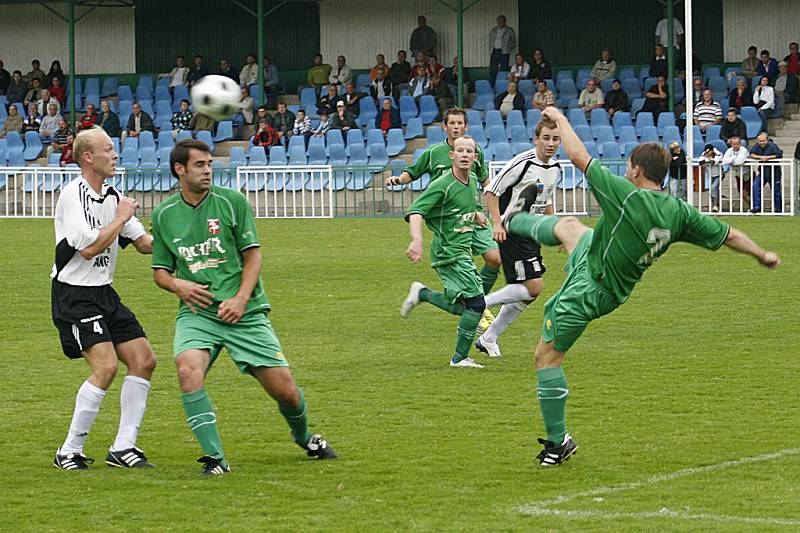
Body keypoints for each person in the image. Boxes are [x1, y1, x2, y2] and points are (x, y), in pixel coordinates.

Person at [500, 105, 780, 465]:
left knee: (546, 357)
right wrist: (761, 254)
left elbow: (577, 155)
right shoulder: (678, 212)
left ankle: (558, 443)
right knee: (570, 226)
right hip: (601, 266)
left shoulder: (627, 196)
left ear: (635, 169)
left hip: (591, 290)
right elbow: (728, 235)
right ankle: (517, 219)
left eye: (629, 166)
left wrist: (559, 118)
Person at [150, 139, 337, 476]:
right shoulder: (164, 215)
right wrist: (178, 284)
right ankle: (215, 459)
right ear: (180, 169)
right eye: (199, 165)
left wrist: (239, 299)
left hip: (245, 313)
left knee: (287, 393)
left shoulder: (232, 202)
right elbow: (160, 272)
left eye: (209, 164)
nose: (208, 170)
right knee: (186, 370)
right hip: (199, 314)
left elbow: (253, 256)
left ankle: (305, 437)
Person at [51, 127, 157, 470]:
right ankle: (69, 451)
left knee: (143, 360)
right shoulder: (72, 196)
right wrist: (122, 217)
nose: (115, 154)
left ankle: (123, 447)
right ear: (87, 157)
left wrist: (180, 232)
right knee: (107, 367)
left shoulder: (113, 196)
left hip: (103, 292)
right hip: (74, 295)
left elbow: (143, 243)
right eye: (108, 149)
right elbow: (89, 248)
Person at [386, 108, 501, 333]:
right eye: (452, 123)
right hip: (448, 219)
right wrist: (399, 179)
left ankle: (477, 303)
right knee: (461, 271)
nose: (456, 127)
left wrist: (494, 208)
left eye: (460, 123)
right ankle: (474, 306)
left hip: (473, 213)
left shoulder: (475, 151)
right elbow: (414, 171)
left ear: (466, 126)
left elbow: (485, 182)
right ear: (445, 127)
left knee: (495, 259)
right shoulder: (434, 153)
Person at [400, 136, 488, 369]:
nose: (465, 154)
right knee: (477, 305)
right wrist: (417, 240)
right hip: (449, 252)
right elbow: (416, 211)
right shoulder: (443, 183)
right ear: (452, 155)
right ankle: (459, 359)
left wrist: (476, 214)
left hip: (461, 250)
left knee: (468, 307)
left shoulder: (470, 181)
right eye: (460, 150)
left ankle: (423, 294)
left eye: (470, 151)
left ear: (475, 157)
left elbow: (465, 206)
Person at [477, 119, 561, 358]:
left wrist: (555, 229)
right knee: (534, 285)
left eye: (555, 139)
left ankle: (489, 337)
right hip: (512, 228)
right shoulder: (522, 163)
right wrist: (497, 223)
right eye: (546, 138)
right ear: (536, 139)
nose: (550, 144)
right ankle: (481, 304)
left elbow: (546, 201)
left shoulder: (556, 169)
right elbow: (491, 191)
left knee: (531, 293)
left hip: (531, 231)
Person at [750, 132, 783, 213]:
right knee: (755, 186)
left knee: (776, 192)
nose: (762, 143)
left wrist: (768, 158)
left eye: (763, 141)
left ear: (767, 140)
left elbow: (779, 154)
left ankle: (778, 209)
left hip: (775, 173)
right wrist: (761, 157)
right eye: (760, 141)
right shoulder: (757, 146)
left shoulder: (772, 146)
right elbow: (752, 154)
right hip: (762, 172)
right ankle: (757, 207)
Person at [722, 136, 750, 211]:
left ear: (740, 144)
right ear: (731, 144)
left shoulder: (743, 150)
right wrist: (734, 158)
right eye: (733, 144)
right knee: (741, 193)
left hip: (748, 175)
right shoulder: (729, 150)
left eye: (737, 144)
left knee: (746, 193)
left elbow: (739, 162)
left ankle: (752, 207)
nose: (735, 146)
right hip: (738, 175)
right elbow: (724, 160)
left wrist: (731, 160)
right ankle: (751, 207)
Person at [488, 15, 517, 88]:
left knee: (504, 69)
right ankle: (492, 86)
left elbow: (514, 42)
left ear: (505, 21)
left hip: (504, 52)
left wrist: (508, 48)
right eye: (499, 21)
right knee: (493, 69)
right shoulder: (493, 30)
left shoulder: (509, 30)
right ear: (497, 22)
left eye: (502, 21)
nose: (500, 22)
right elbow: (490, 41)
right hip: (495, 50)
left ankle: (503, 85)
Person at [699, 143, 724, 212]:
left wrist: (707, 160)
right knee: (713, 190)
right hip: (710, 175)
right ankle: (715, 205)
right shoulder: (704, 153)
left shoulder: (718, 154)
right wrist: (707, 159)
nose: (707, 153)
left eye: (708, 152)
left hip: (719, 174)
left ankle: (715, 205)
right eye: (706, 152)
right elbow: (700, 162)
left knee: (713, 188)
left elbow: (714, 161)